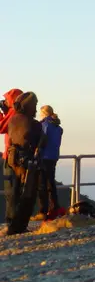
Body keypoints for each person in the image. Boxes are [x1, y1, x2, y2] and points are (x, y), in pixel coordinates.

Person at [4, 92, 45, 235]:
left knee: (13, 193)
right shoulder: (33, 124)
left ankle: (12, 224)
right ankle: (18, 226)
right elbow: (40, 142)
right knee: (26, 194)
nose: (35, 108)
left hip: (11, 158)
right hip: (25, 161)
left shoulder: (13, 119)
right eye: (34, 105)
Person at [34, 105, 65, 220]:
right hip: (53, 156)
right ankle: (55, 207)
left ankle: (44, 210)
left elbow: (43, 140)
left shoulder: (44, 125)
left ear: (44, 113)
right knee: (51, 183)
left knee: (42, 184)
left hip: (44, 157)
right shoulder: (58, 127)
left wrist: (37, 150)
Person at [1, 88, 22, 160]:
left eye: (7, 99)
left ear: (13, 99)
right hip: (15, 153)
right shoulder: (20, 111)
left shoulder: (14, 111)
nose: (5, 101)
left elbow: (1, 128)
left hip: (11, 155)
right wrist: (6, 112)